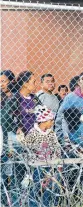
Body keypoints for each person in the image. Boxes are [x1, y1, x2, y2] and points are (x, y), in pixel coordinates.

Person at [0, 71, 40, 206]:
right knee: (18, 177)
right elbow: (4, 118)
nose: (35, 84)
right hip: (18, 144)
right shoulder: (15, 99)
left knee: (33, 178)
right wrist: (16, 127)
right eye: (33, 81)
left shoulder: (35, 99)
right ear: (25, 83)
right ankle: (16, 204)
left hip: (34, 143)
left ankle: (31, 203)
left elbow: (43, 115)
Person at [17, 105, 62, 207]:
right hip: (37, 165)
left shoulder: (51, 134)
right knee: (36, 187)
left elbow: (57, 148)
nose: (52, 122)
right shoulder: (33, 133)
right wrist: (20, 137)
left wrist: (56, 162)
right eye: (51, 120)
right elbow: (26, 145)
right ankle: (33, 204)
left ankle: (47, 204)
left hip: (50, 165)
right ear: (44, 121)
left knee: (50, 188)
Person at [55, 71, 83, 156]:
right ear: (79, 82)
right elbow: (60, 116)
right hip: (71, 138)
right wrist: (60, 136)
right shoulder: (71, 97)